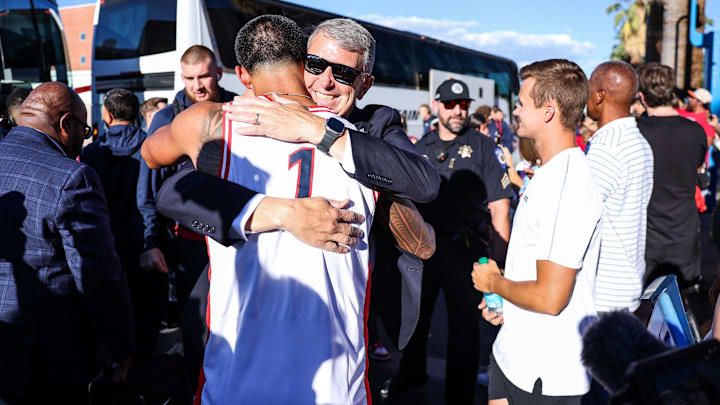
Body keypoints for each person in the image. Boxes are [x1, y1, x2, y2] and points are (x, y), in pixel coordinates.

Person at [140, 14, 418, 403]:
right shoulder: (359, 142)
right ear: (306, 65)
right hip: (335, 379)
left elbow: (151, 154)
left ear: (240, 73)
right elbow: (420, 185)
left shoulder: (213, 123)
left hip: (238, 374)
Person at [472, 59, 602, 405]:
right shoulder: (549, 173)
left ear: (548, 110)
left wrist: (492, 283)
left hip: (545, 374)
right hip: (513, 354)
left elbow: (550, 297)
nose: (514, 110)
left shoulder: (568, 183)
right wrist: (505, 302)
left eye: (521, 102)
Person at [0, 82, 133, 405]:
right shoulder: (71, 177)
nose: (83, 140)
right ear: (66, 124)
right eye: (84, 131)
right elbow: (98, 276)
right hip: (46, 352)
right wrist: (121, 349)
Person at [383, 78, 512, 404]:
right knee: (415, 320)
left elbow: (500, 209)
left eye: (464, 105)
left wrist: (500, 264)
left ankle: (459, 396)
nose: (458, 110)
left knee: (464, 331)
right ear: (437, 105)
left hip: (466, 252)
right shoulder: (421, 145)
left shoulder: (483, 147)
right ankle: (411, 378)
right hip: (424, 251)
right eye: (451, 104)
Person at [80, 88, 166, 362]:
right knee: (144, 315)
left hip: (104, 244)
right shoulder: (149, 145)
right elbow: (149, 200)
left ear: (106, 115)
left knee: (109, 314)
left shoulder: (93, 152)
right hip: (142, 244)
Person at [585, 61, 654, 312]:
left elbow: (582, 218)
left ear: (600, 94)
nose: (586, 97)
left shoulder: (607, 147)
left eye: (589, 89)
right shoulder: (638, 140)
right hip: (627, 279)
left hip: (604, 290)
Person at [636, 63, 707, 288]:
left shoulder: (636, 132)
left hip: (647, 237)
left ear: (642, 96)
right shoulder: (695, 131)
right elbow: (696, 170)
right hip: (683, 232)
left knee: (644, 311)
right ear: (671, 92)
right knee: (681, 305)